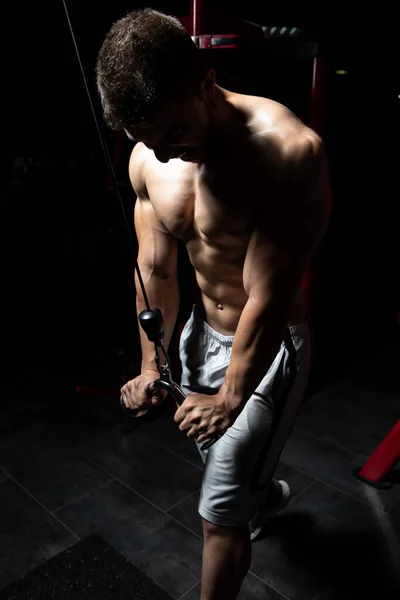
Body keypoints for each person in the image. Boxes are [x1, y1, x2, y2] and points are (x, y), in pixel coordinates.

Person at [96, 8, 332, 600]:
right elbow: (155, 269)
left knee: (217, 515)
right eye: (146, 141)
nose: (165, 155)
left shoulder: (286, 154)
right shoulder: (150, 157)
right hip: (201, 333)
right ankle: (262, 490)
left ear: (204, 81)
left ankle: (245, 493)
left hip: (271, 347)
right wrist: (152, 364)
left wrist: (229, 397)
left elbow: (269, 297)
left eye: (173, 134)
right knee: (227, 470)